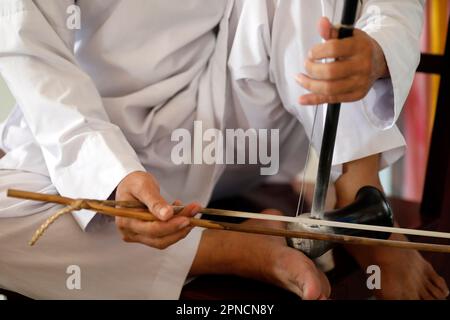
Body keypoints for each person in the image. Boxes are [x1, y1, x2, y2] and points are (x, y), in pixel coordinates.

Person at [0, 0, 447, 300]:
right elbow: (30, 47)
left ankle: (363, 203)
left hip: (241, 115)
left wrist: (379, 48)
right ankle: (237, 248)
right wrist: (111, 173)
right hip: (99, 128)